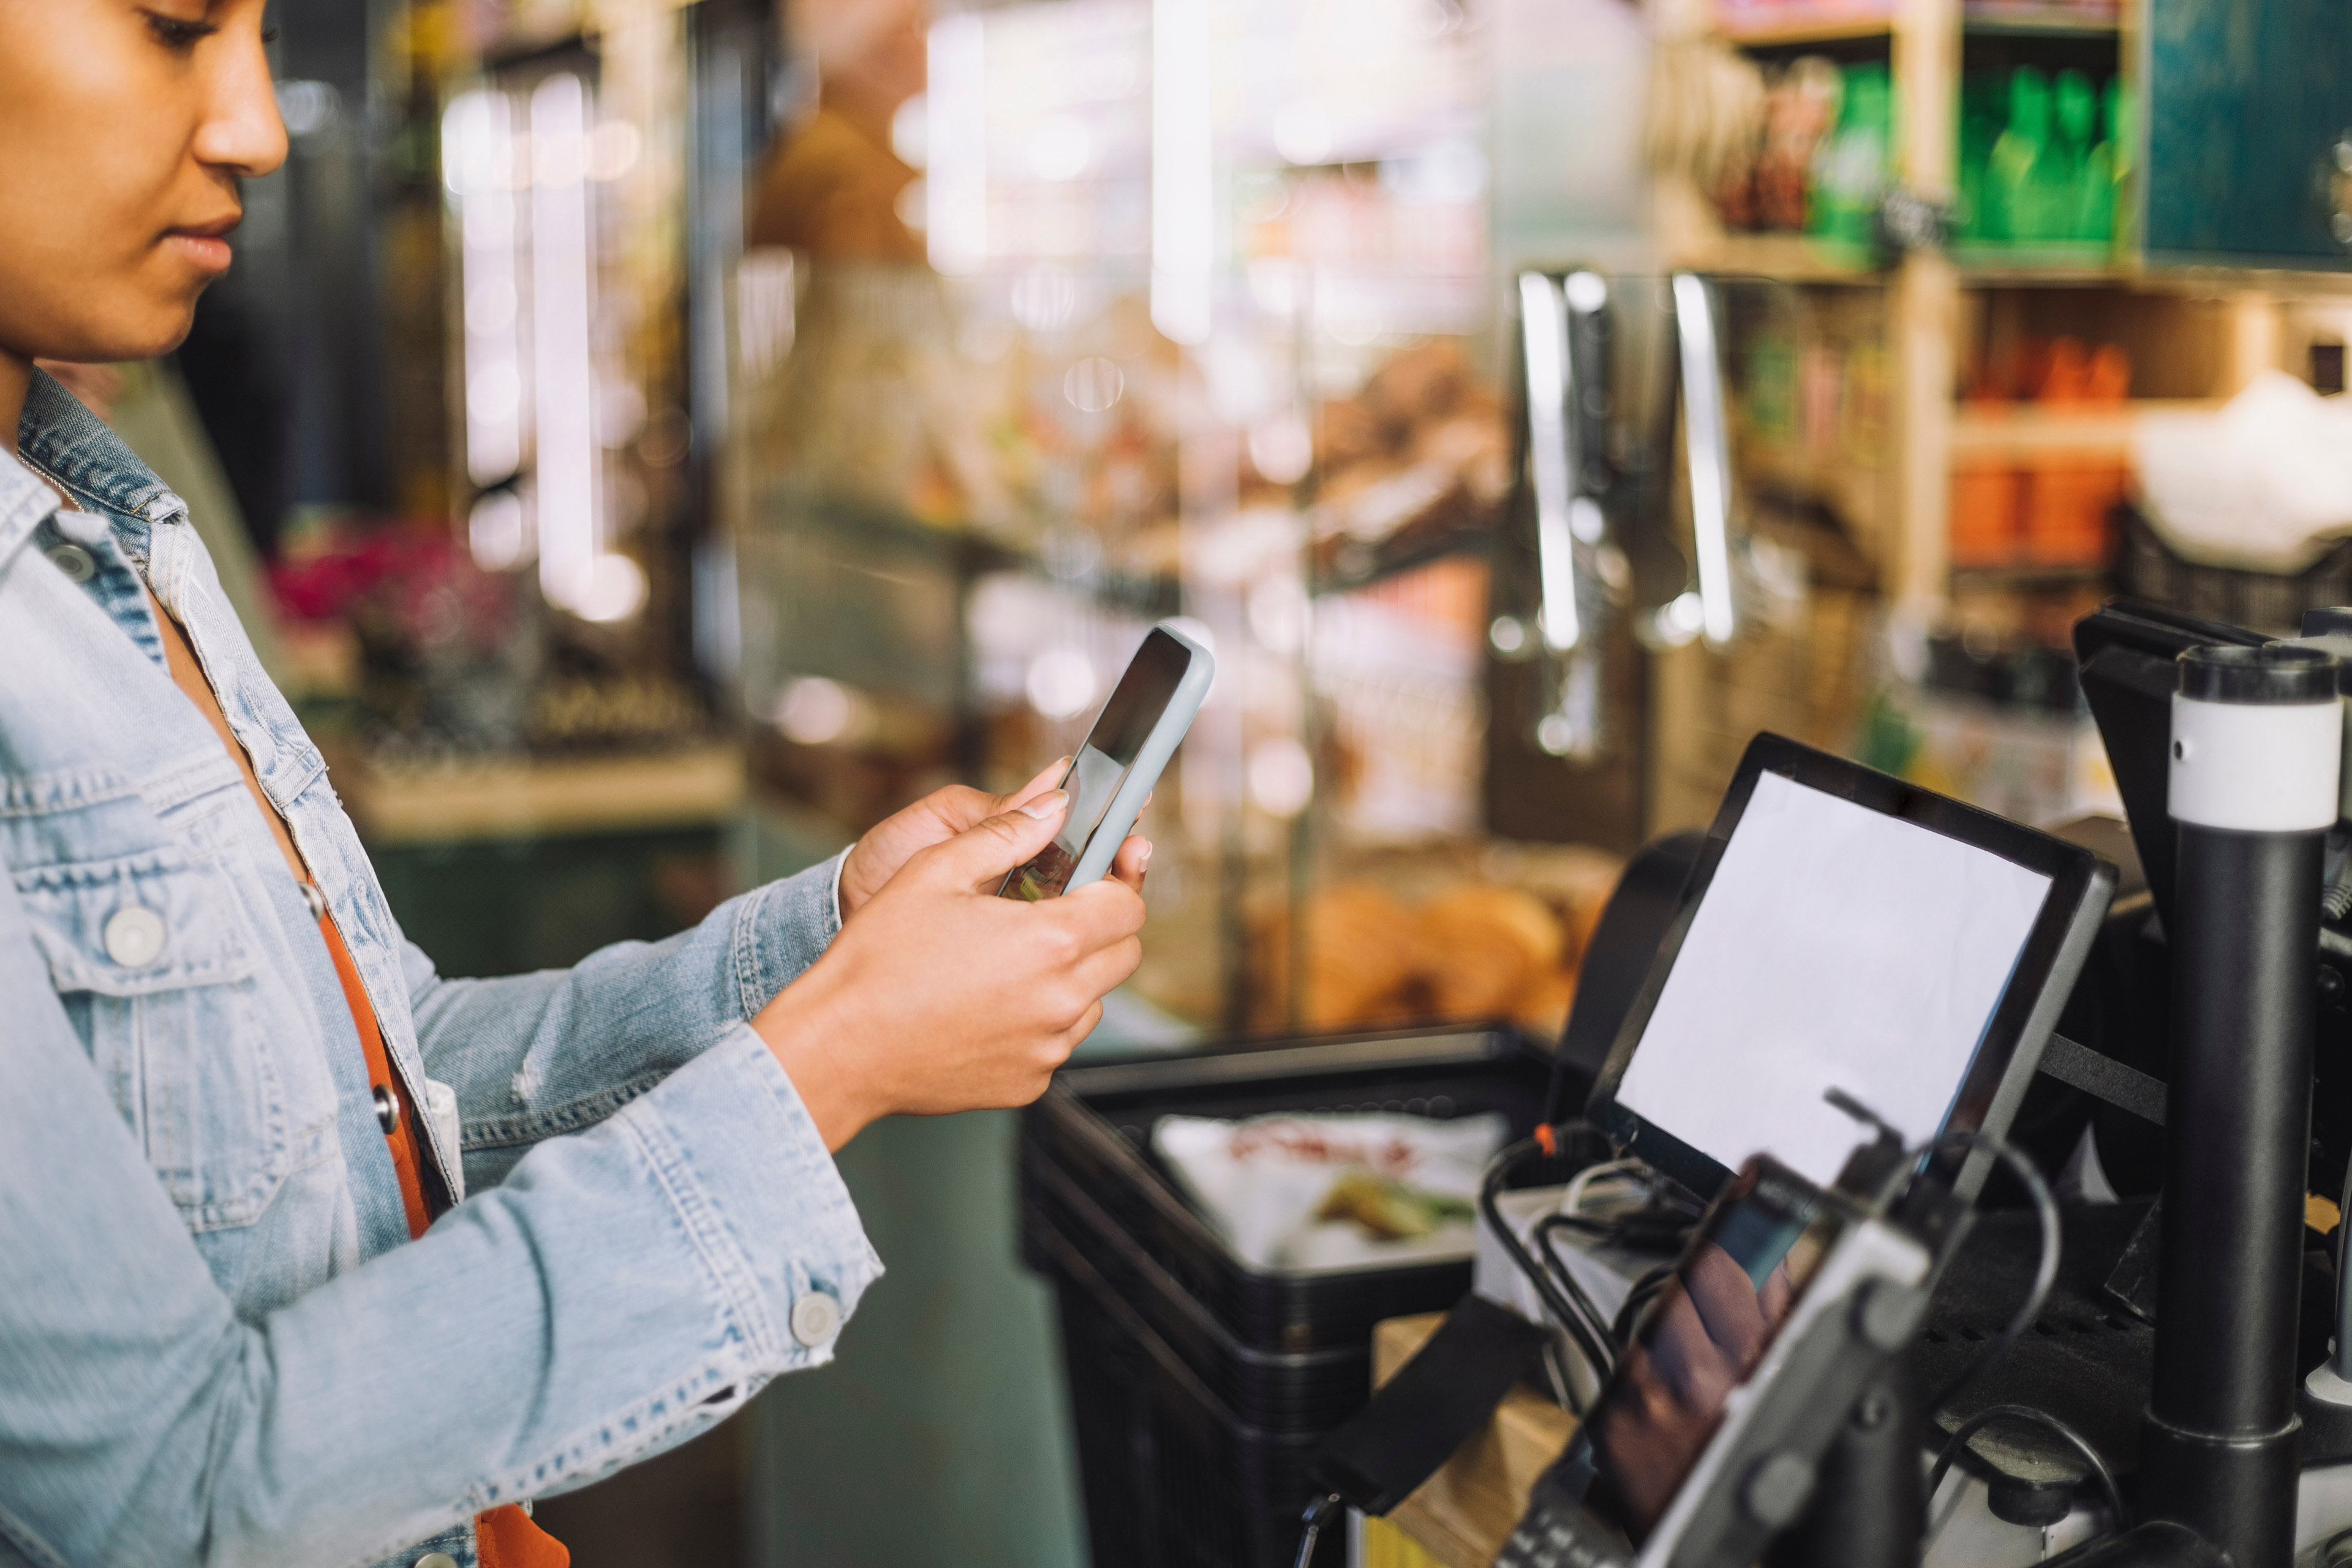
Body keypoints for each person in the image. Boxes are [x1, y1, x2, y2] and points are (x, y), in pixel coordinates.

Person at [0, 5, 1149, 1567]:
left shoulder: (107, 534)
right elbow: (167, 1507)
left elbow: (383, 1097)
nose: (259, 125)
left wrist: (825, 948)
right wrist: (834, 1061)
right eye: (176, 23)